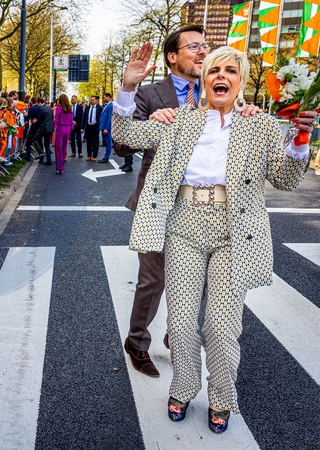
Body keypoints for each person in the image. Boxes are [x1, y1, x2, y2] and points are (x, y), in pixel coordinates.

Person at [113, 42, 314, 433]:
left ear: (240, 83)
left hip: (233, 232)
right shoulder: (179, 119)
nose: (221, 77)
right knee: (182, 324)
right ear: (204, 80)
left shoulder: (258, 125)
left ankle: (221, 396)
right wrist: (127, 87)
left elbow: (285, 180)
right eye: (214, 71)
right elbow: (125, 134)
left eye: (230, 71)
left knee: (222, 328)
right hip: (183, 225)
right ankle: (184, 387)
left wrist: (300, 141)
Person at [117, 24, 261, 379]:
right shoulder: (150, 93)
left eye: (204, 46)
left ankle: (177, 332)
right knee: (153, 280)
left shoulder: (219, 90)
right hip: (161, 207)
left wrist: (248, 112)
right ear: (172, 56)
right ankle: (137, 342)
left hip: (210, 212)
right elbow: (122, 144)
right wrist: (129, 90)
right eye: (193, 46)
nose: (202, 51)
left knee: (201, 281)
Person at [52, 93, 73, 174]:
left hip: (60, 128)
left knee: (59, 148)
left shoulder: (58, 108)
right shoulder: (70, 109)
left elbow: (56, 120)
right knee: (64, 148)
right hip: (67, 128)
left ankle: (59, 167)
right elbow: (71, 121)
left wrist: (54, 125)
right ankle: (62, 167)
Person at [83, 96, 101, 161]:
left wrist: (100, 127)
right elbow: (84, 118)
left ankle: (94, 156)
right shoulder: (87, 108)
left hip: (95, 127)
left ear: (96, 101)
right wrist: (83, 127)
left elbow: (101, 118)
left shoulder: (99, 108)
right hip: (88, 126)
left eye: (93, 100)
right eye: (91, 100)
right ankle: (89, 155)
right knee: (89, 142)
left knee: (95, 142)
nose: (91, 101)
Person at [97, 93, 113, 163]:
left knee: (108, 143)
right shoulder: (107, 105)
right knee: (107, 143)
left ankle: (106, 157)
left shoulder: (111, 105)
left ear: (108, 97)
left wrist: (107, 128)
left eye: (104, 97)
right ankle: (106, 157)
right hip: (103, 127)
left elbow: (110, 117)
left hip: (106, 128)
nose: (103, 99)